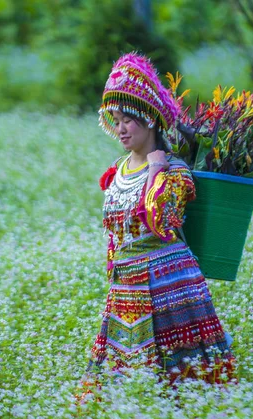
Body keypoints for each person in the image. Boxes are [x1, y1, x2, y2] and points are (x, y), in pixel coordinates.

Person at [77, 53, 236, 403]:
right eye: (115, 120)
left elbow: (162, 221)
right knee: (124, 390)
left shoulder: (174, 172)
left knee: (183, 388)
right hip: (125, 286)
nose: (120, 129)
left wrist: (155, 169)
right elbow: (113, 232)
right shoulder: (116, 171)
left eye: (128, 120)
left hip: (168, 285)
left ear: (149, 119)